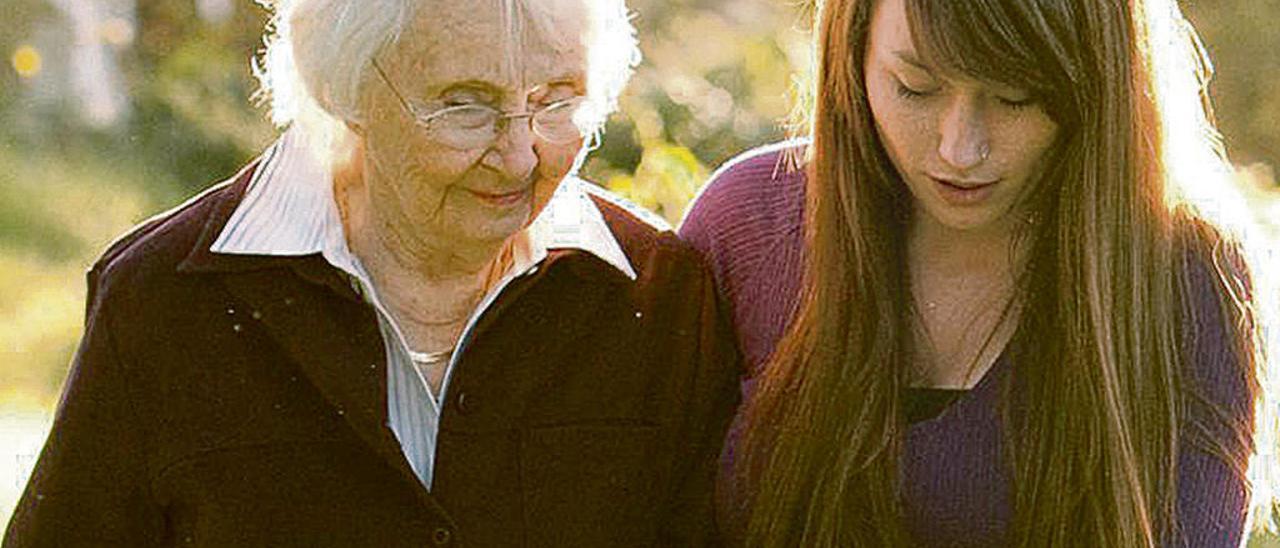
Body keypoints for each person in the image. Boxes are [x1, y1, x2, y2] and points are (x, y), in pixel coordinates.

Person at [5, 0, 740, 546]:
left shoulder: (660, 293)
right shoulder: (166, 296)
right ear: (342, 88)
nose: (521, 157)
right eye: (464, 105)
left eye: (557, 101)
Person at [680, 0, 1268, 545]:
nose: (961, 149)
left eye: (1015, 97)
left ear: (1098, 80)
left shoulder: (1188, 277)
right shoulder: (750, 222)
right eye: (915, 87)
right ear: (851, 49)